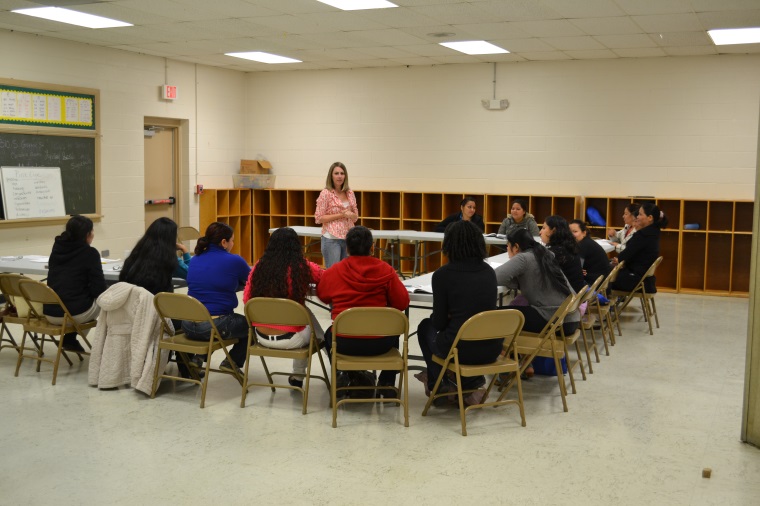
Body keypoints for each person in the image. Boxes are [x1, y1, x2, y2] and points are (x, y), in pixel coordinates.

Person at [317, 226, 409, 392]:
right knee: (393, 330)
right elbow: (402, 303)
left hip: (345, 341)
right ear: (372, 247)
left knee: (329, 334)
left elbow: (323, 295)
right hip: (380, 342)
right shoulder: (386, 270)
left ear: (347, 247)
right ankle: (387, 384)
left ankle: (343, 375)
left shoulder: (335, 271)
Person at [416, 221, 499, 406]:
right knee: (457, 334)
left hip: (459, 349)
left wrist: (449, 317)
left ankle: (438, 384)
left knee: (424, 328)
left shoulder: (442, 275)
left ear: (449, 244)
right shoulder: (489, 272)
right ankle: (468, 384)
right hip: (491, 348)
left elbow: (438, 323)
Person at [243, 227, 324, 388]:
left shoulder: (259, 266)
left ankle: (299, 375)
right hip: (293, 338)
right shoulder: (301, 266)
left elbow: (247, 300)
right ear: (296, 246)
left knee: (303, 314)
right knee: (313, 327)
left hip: (261, 336)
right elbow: (323, 277)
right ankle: (299, 376)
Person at [182, 222, 251, 374]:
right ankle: (232, 362)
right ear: (224, 242)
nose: (233, 244)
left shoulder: (195, 259)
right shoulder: (234, 260)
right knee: (250, 327)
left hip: (187, 325)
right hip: (214, 326)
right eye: (232, 240)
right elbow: (252, 279)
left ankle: (199, 357)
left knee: (214, 323)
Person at [494, 228, 579, 336]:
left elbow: (494, 277)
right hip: (569, 318)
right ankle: (513, 351)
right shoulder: (544, 253)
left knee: (494, 314)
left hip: (554, 320)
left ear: (515, 247)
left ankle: (508, 350)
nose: (507, 248)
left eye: (508, 245)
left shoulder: (523, 258)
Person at [44, 215, 107, 352]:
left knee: (77, 301)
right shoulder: (90, 253)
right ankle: (74, 339)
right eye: (91, 231)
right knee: (104, 301)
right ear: (86, 234)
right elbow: (99, 289)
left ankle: (70, 338)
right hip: (74, 313)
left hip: (50, 312)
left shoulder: (57, 249)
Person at [611, 202, 668, 293]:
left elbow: (625, 255)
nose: (637, 217)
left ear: (649, 218)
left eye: (640, 214)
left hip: (634, 280)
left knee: (601, 274)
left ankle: (602, 303)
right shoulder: (654, 233)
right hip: (645, 281)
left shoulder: (643, 235)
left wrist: (619, 260)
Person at [119, 217, 182, 295]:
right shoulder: (168, 259)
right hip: (154, 302)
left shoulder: (138, 251)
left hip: (131, 299)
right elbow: (187, 273)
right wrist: (185, 252)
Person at [314, 161, 359, 268]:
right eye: (336, 173)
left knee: (347, 272)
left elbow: (355, 217)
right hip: (331, 238)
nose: (340, 176)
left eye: (342, 173)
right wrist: (341, 215)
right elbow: (319, 218)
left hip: (348, 238)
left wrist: (350, 215)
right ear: (331, 175)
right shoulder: (326, 193)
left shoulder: (350, 193)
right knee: (334, 273)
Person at [540, 215, 585, 293]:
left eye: (543, 228)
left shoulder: (554, 253)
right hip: (576, 295)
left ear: (553, 231)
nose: (540, 232)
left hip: (567, 298)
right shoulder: (567, 247)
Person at [569, 219, 612, 285]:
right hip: (601, 281)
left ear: (584, 233)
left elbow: (576, 270)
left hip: (596, 284)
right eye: (569, 232)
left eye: (575, 231)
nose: (571, 235)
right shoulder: (586, 242)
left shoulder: (583, 245)